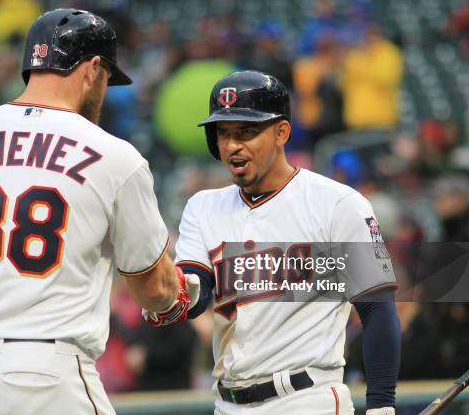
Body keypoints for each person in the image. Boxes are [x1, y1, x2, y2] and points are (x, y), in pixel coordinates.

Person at [0, 8, 193, 415]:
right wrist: (177, 300)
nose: (104, 90)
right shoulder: (113, 155)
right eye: (106, 78)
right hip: (46, 373)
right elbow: (154, 287)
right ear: (92, 69)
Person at [144, 71, 401, 414]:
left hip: (306, 398)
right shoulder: (203, 207)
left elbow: (376, 308)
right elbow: (197, 293)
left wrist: (382, 405)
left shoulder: (337, 204)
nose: (233, 145)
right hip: (228, 402)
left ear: (282, 132)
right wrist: (166, 293)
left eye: (247, 132)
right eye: (224, 134)